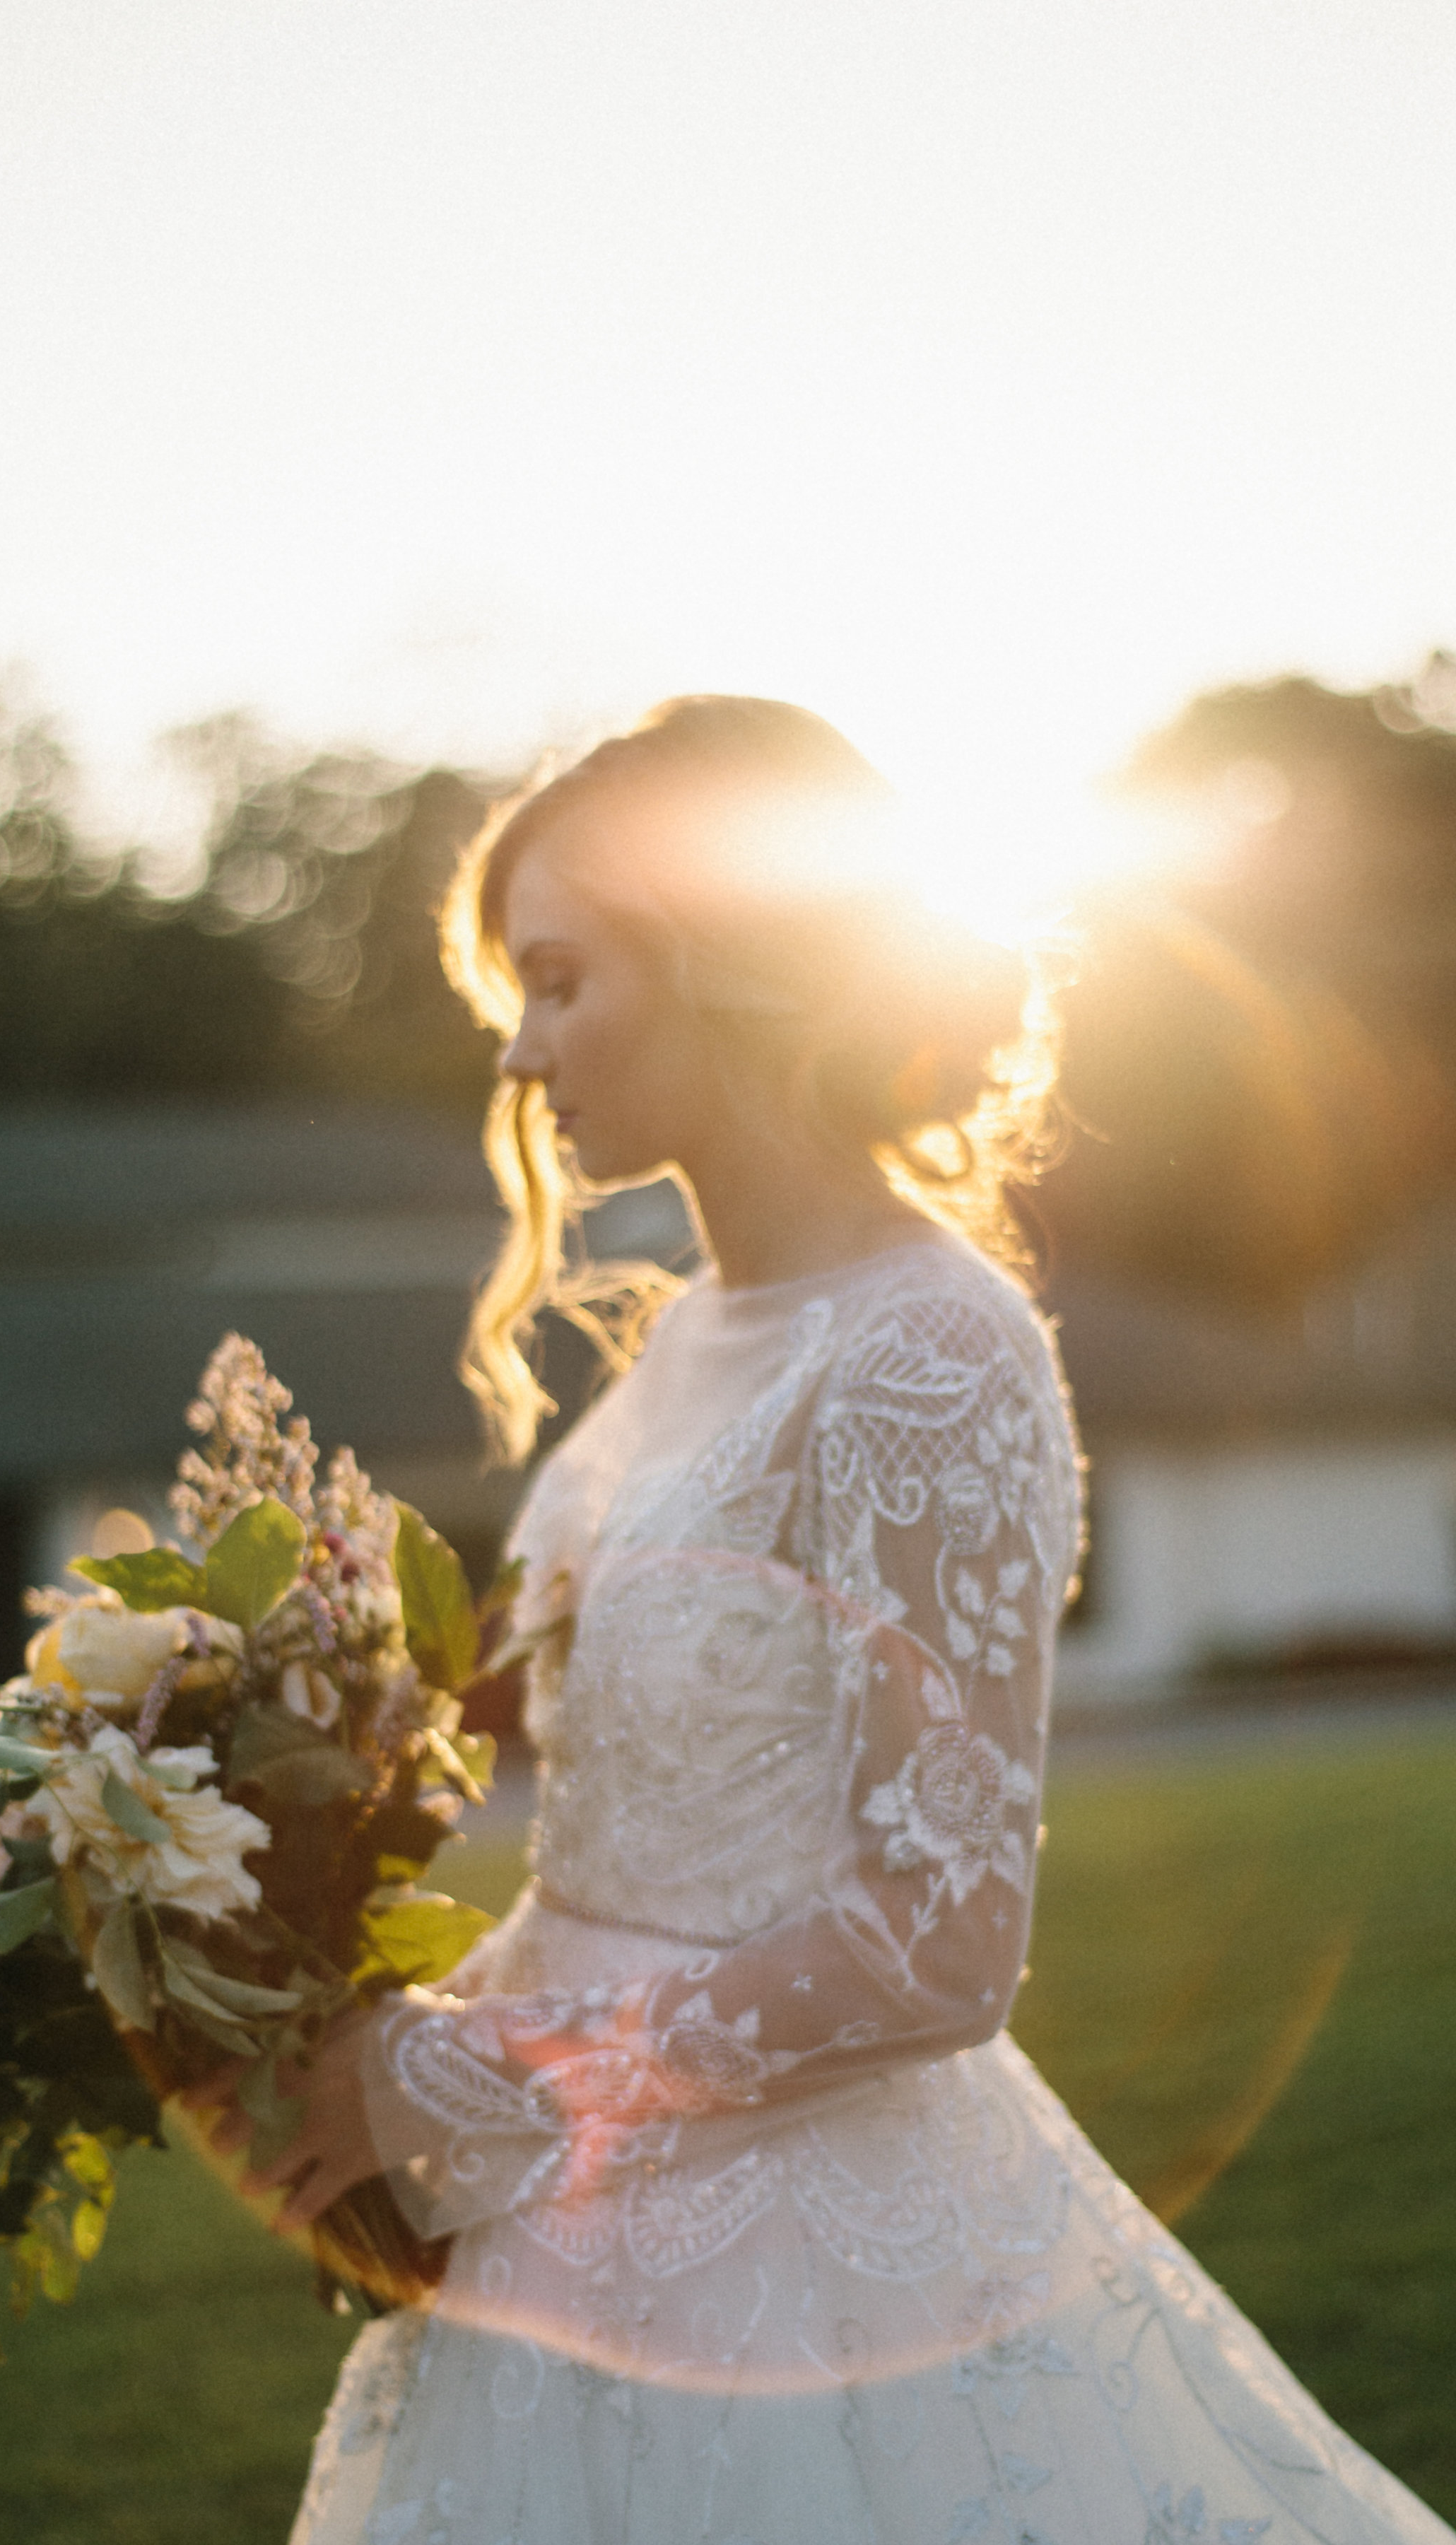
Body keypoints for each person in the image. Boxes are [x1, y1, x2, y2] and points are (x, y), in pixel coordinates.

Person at [242, 698, 1451, 2544]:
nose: (521, 1052)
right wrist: (357, 2040)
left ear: (732, 960)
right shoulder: (669, 1355)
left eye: (562, 978)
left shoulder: (925, 1355)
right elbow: (606, 1869)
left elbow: (941, 1945)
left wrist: (470, 2074)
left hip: (817, 2278)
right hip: (562, 2253)